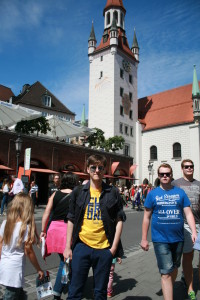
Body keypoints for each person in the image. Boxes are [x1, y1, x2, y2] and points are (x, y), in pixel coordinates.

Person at [63, 154, 126, 300]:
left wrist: (113, 249)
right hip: (81, 246)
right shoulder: (78, 192)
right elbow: (71, 219)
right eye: (93, 167)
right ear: (87, 169)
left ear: (104, 171)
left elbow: (119, 220)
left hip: (104, 249)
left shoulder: (113, 192)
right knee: (74, 291)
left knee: (100, 293)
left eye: (100, 167)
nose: (97, 170)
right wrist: (68, 246)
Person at [141, 163, 197, 300]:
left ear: (171, 175)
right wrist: (143, 238)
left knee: (174, 268)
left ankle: (169, 287)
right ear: (159, 176)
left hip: (178, 238)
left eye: (167, 174)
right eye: (162, 174)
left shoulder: (180, 193)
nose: (165, 176)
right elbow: (146, 217)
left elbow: (188, 214)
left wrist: (194, 232)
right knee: (166, 272)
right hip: (160, 239)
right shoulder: (152, 194)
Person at [40, 172, 79, 300]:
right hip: (66, 230)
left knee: (66, 261)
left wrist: (43, 230)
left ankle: (69, 284)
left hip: (53, 230)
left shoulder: (55, 194)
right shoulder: (75, 194)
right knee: (65, 262)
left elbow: (46, 213)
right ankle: (57, 292)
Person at [0, 193, 44, 299]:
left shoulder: (5, 223)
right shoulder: (25, 227)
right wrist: (39, 269)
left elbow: (0, 245)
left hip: (5, 265)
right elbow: (28, 251)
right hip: (15, 270)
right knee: (10, 295)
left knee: (20, 295)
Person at [172, 159, 200, 300]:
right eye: (187, 167)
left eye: (191, 166)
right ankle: (190, 287)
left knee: (195, 256)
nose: (190, 168)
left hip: (198, 223)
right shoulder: (175, 183)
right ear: (182, 168)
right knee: (188, 255)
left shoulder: (198, 184)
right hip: (183, 224)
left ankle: (188, 278)